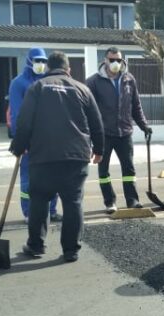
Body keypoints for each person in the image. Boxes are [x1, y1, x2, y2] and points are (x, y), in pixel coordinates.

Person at [9, 51, 104, 262]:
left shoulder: (37, 88)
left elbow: (24, 121)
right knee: (73, 202)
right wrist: (99, 150)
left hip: (43, 156)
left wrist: (18, 146)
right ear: (68, 69)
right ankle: (71, 251)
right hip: (75, 156)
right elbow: (97, 123)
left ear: (49, 68)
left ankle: (36, 246)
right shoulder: (82, 89)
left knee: (40, 201)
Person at [86, 47, 152, 213]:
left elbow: (136, 105)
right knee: (103, 170)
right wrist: (89, 136)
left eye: (118, 60)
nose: (115, 63)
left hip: (125, 132)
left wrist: (144, 125)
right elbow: (88, 111)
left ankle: (132, 200)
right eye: (112, 59)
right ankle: (110, 202)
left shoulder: (129, 79)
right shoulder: (93, 82)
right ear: (105, 61)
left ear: (122, 61)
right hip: (103, 135)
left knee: (129, 169)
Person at [8, 47, 62, 223]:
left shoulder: (49, 81)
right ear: (30, 61)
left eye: (43, 61)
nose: (41, 64)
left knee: (52, 176)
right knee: (29, 178)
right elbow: (16, 113)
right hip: (30, 138)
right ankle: (29, 212)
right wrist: (19, 139)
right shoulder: (19, 83)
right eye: (37, 61)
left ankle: (52, 210)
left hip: (49, 138)